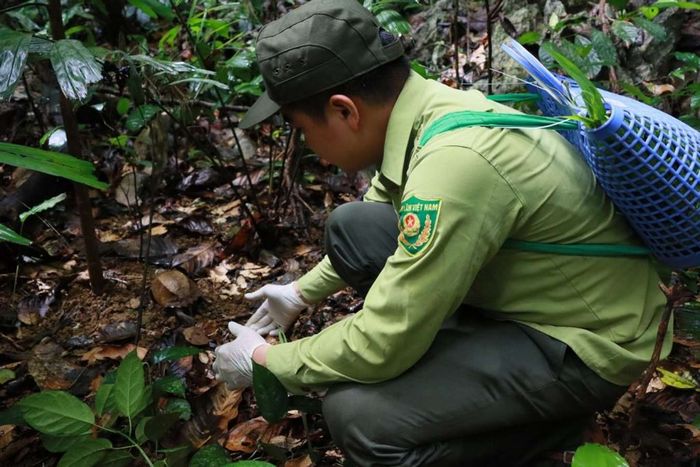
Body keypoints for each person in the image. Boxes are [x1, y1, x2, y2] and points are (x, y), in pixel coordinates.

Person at [212, 0, 671, 464]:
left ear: (345, 111)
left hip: (584, 344)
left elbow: (383, 340)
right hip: (537, 298)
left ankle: (551, 427)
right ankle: (480, 395)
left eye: (302, 129)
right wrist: (299, 293)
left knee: (358, 417)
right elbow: (382, 211)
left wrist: (266, 362)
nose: (308, 145)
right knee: (355, 227)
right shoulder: (434, 107)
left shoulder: (456, 163)